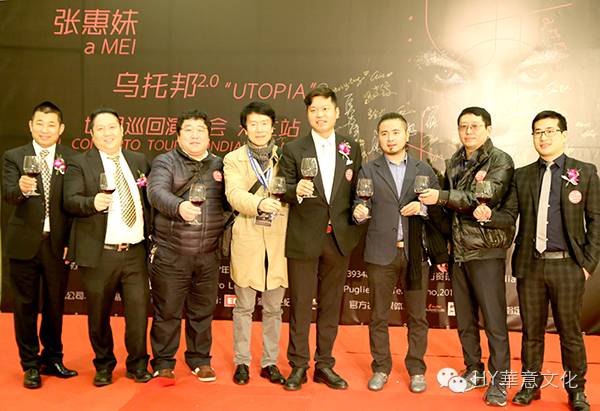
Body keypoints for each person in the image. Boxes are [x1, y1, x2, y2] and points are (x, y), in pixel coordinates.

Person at [475, 111, 598, 411]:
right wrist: (489, 215)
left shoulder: (584, 172)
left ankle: (576, 391)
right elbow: (509, 215)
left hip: (568, 265)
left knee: (570, 333)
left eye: (550, 131)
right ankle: (531, 385)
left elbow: (597, 220)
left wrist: (587, 264)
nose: (544, 137)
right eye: (538, 132)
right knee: (531, 332)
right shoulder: (523, 175)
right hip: (531, 265)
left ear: (564, 135)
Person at [419, 106, 514, 406]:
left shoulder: (500, 160)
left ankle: (500, 381)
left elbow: (482, 199)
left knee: (494, 322)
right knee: (464, 320)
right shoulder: (455, 162)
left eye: (474, 126)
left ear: (488, 129)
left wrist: (442, 197)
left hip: (486, 250)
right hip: (458, 252)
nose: (468, 131)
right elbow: (449, 211)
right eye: (463, 126)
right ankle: (474, 369)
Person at [353, 112, 449, 393]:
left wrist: (422, 208)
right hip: (380, 254)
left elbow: (439, 210)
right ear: (378, 138)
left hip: (415, 254)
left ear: (407, 136)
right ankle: (381, 367)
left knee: (417, 316)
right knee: (378, 316)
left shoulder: (424, 169)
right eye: (384, 133)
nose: (390, 138)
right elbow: (359, 203)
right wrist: (359, 213)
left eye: (396, 132)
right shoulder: (369, 170)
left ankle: (417, 369)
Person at [278, 87, 362, 391]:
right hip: (303, 237)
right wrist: (295, 191)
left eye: (325, 109)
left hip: (338, 237)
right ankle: (298, 365)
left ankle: (324, 364)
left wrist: (361, 208)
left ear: (336, 112)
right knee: (300, 304)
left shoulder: (351, 147)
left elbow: (358, 188)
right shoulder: (293, 148)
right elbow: (281, 187)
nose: (320, 115)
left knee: (331, 304)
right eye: (313, 110)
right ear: (308, 114)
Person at [63, 107, 152, 387]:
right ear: (91, 135)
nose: (107, 133)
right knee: (99, 315)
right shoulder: (79, 163)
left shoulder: (139, 160)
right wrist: (92, 203)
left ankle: (138, 364)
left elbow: (148, 200)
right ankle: (103, 365)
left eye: (112, 127)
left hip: (135, 252)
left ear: (122, 130)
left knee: (139, 313)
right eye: (100, 129)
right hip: (100, 253)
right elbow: (69, 200)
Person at [147, 109, 226, 384]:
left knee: (202, 312)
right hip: (172, 253)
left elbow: (230, 200)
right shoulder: (165, 162)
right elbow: (156, 192)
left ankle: (200, 360)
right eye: (188, 130)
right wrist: (179, 206)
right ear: (178, 136)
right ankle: (163, 362)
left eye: (200, 130)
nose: (194, 135)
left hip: (208, 254)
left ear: (209, 137)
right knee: (167, 312)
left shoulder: (220, 165)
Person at [1, 101, 77, 388]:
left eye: (51, 125)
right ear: (31, 126)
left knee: (55, 306)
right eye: (40, 124)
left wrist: (71, 241)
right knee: (25, 306)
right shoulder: (13, 156)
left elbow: (73, 205)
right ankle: (30, 364)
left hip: (57, 244)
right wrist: (20, 189)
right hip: (23, 243)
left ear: (61, 129)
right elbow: (8, 195)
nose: (45, 130)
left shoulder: (71, 158)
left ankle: (53, 358)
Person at [223, 101, 288, 385]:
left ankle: (270, 362)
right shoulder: (233, 159)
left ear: (273, 127)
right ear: (245, 129)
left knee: (274, 309)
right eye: (253, 124)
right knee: (243, 308)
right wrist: (260, 203)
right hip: (247, 238)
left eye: (264, 124)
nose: (259, 129)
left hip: (279, 240)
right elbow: (234, 194)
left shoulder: (287, 157)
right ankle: (242, 362)